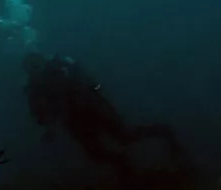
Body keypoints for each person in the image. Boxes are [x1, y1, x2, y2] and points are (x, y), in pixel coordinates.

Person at [22, 52, 195, 185]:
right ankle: (129, 170)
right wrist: (48, 123)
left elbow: (86, 83)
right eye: (32, 67)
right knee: (98, 152)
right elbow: (41, 116)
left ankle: (164, 134)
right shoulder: (37, 86)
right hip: (79, 119)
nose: (35, 68)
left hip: (93, 108)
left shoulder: (58, 69)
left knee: (123, 137)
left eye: (35, 64)